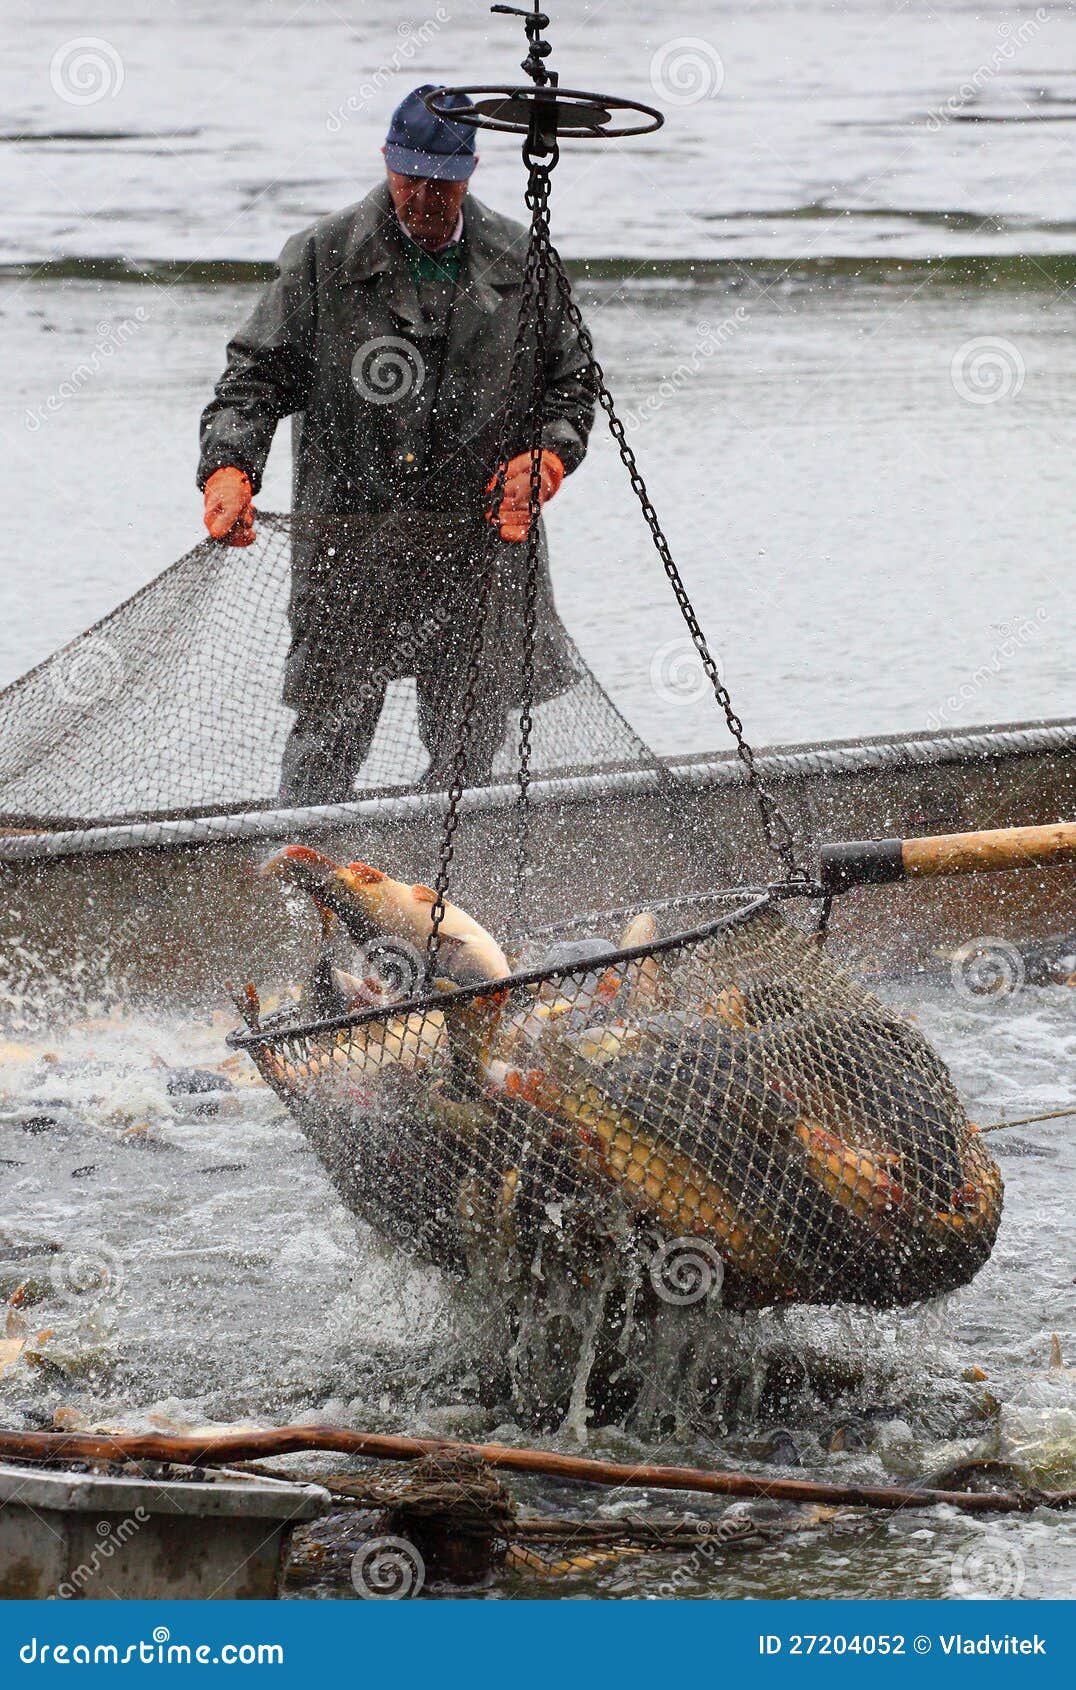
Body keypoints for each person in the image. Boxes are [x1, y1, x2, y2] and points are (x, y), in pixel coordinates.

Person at [198, 85, 595, 805]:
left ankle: (437, 894)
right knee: (326, 742)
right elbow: (252, 379)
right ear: (387, 160)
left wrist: (547, 458)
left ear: (471, 170)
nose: (423, 198)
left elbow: (570, 387)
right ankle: (306, 888)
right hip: (351, 547)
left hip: (478, 551)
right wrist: (229, 466)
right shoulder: (321, 257)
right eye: (409, 178)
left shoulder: (523, 257)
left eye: (441, 184)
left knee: (470, 745)